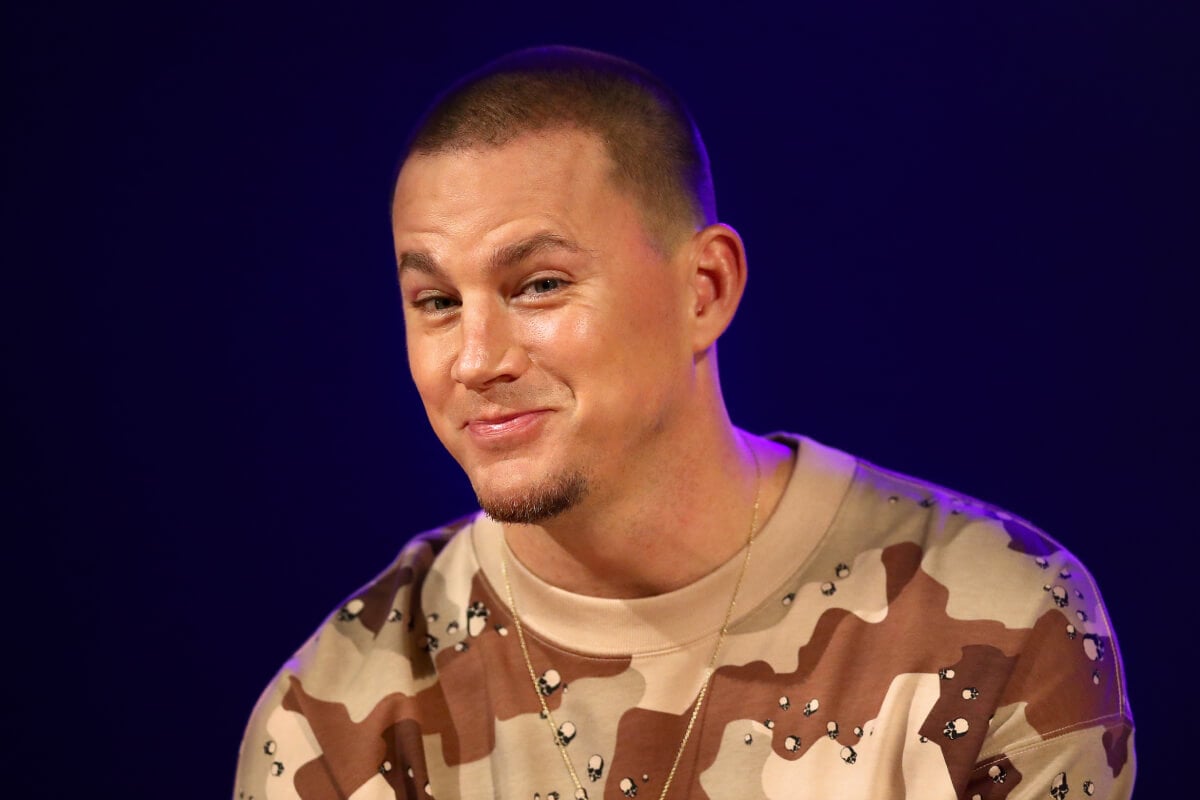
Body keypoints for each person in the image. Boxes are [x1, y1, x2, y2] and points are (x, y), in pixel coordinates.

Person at [234, 46, 1135, 800]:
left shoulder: (1001, 622)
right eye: (436, 301)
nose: (475, 360)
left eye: (539, 285)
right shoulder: (331, 724)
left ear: (704, 290)